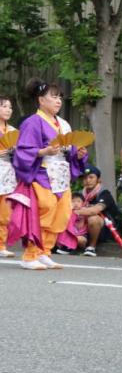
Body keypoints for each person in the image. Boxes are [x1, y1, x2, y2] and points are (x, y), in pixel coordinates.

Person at [11, 79, 89, 270]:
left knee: (61, 214)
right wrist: (42, 151)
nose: (58, 100)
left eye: (60, 97)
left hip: (61, 174)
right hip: (42, 173)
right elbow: (23, 150)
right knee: (44, 211)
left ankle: (45, 251)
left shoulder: (64, 124)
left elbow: (70, 149)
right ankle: (30, 255)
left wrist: (78, 154)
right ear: (41, 100)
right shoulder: (32, 122)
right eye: (53, 97)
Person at [72, 165, 122, 257]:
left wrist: (75, 211)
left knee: (93, 218)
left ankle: (91, 247)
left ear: (98, 179)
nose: (88, 180)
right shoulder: (79, 194)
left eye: (91, 177)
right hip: (83, 228)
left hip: (106, 230)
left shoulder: (104, 193)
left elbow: (94, 211)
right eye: (85, 178)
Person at [0, 94, 16, 258]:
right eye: (4, 106)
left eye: (10, 107)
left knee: (5, 213)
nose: (8, 110)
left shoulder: (13, 131)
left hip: (7, 172)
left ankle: (1, 245)